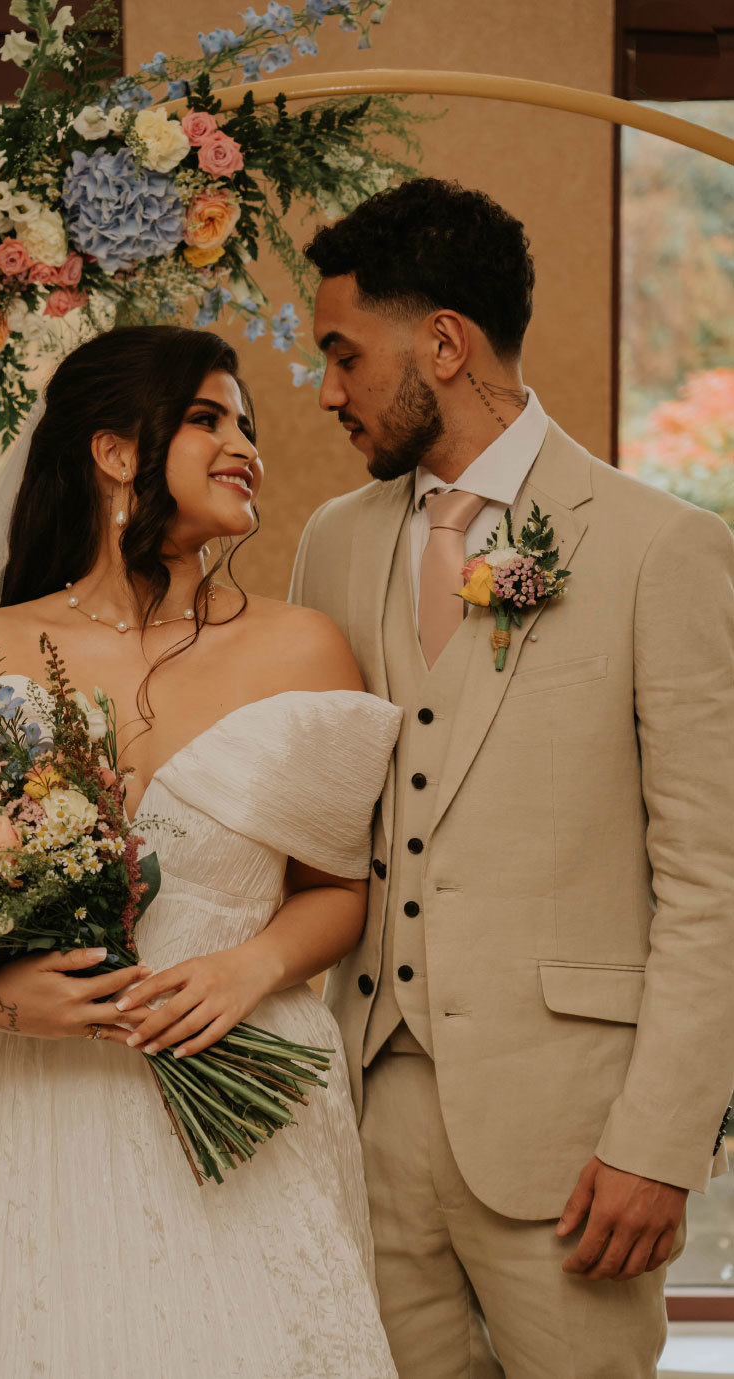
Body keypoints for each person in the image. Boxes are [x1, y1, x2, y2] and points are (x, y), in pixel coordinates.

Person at [0, 325, 402, 1378]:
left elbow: (337, 890)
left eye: (250, 426)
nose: (248, 446)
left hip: (233, 1099)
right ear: (114, 450)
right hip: (0, 1108)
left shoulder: (302, 645)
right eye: (209, 417)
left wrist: (247, 966)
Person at [288, 177, 734, 1378]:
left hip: (574, 1142)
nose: (326, 389)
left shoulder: (660, 548)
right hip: (370, 1112)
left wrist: (660, 1140)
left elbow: (714, 879)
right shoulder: (331, 542)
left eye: (343, 353)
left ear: (444, 342)